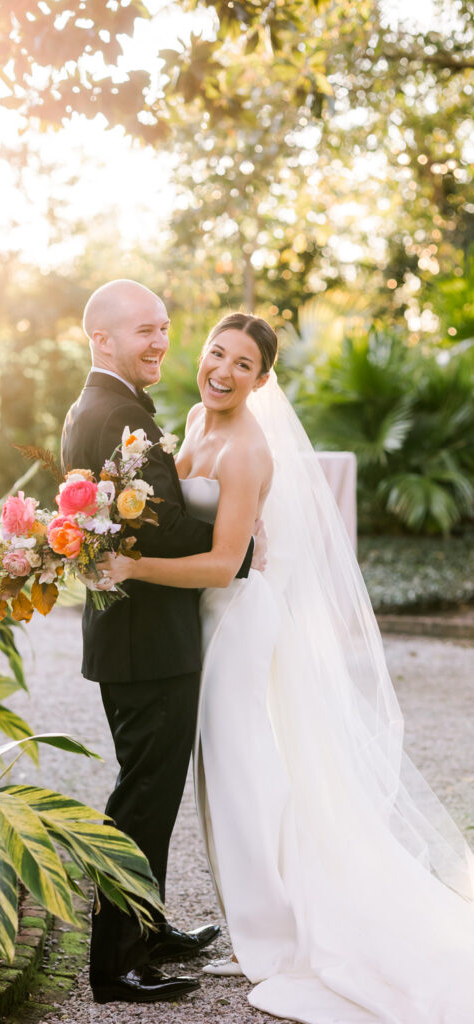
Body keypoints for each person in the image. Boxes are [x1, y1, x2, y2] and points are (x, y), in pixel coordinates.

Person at [102, 311, 474, 1024]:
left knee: (243, 772)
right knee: (222, 773)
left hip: (236, 619)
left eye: (243, 364)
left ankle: (274, 930)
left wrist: (133, 566)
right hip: (199, 622)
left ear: (262, 379)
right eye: (217, 353)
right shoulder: (194, 419)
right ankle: (255, 915)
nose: (222, 370)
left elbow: (223, 564)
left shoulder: (248, 449)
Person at [60, 281, 259, 1004]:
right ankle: (116, 965)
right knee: (143, 800)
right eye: (144, 329)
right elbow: (162, 528)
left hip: (133, 635)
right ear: (102, 339)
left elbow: (132, 519)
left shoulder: (101, 406)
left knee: (148, 792)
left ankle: (147, 929)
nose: (160, 342)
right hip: (148, 642)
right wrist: (243, 544)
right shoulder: (117, 414)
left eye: (165, 327)